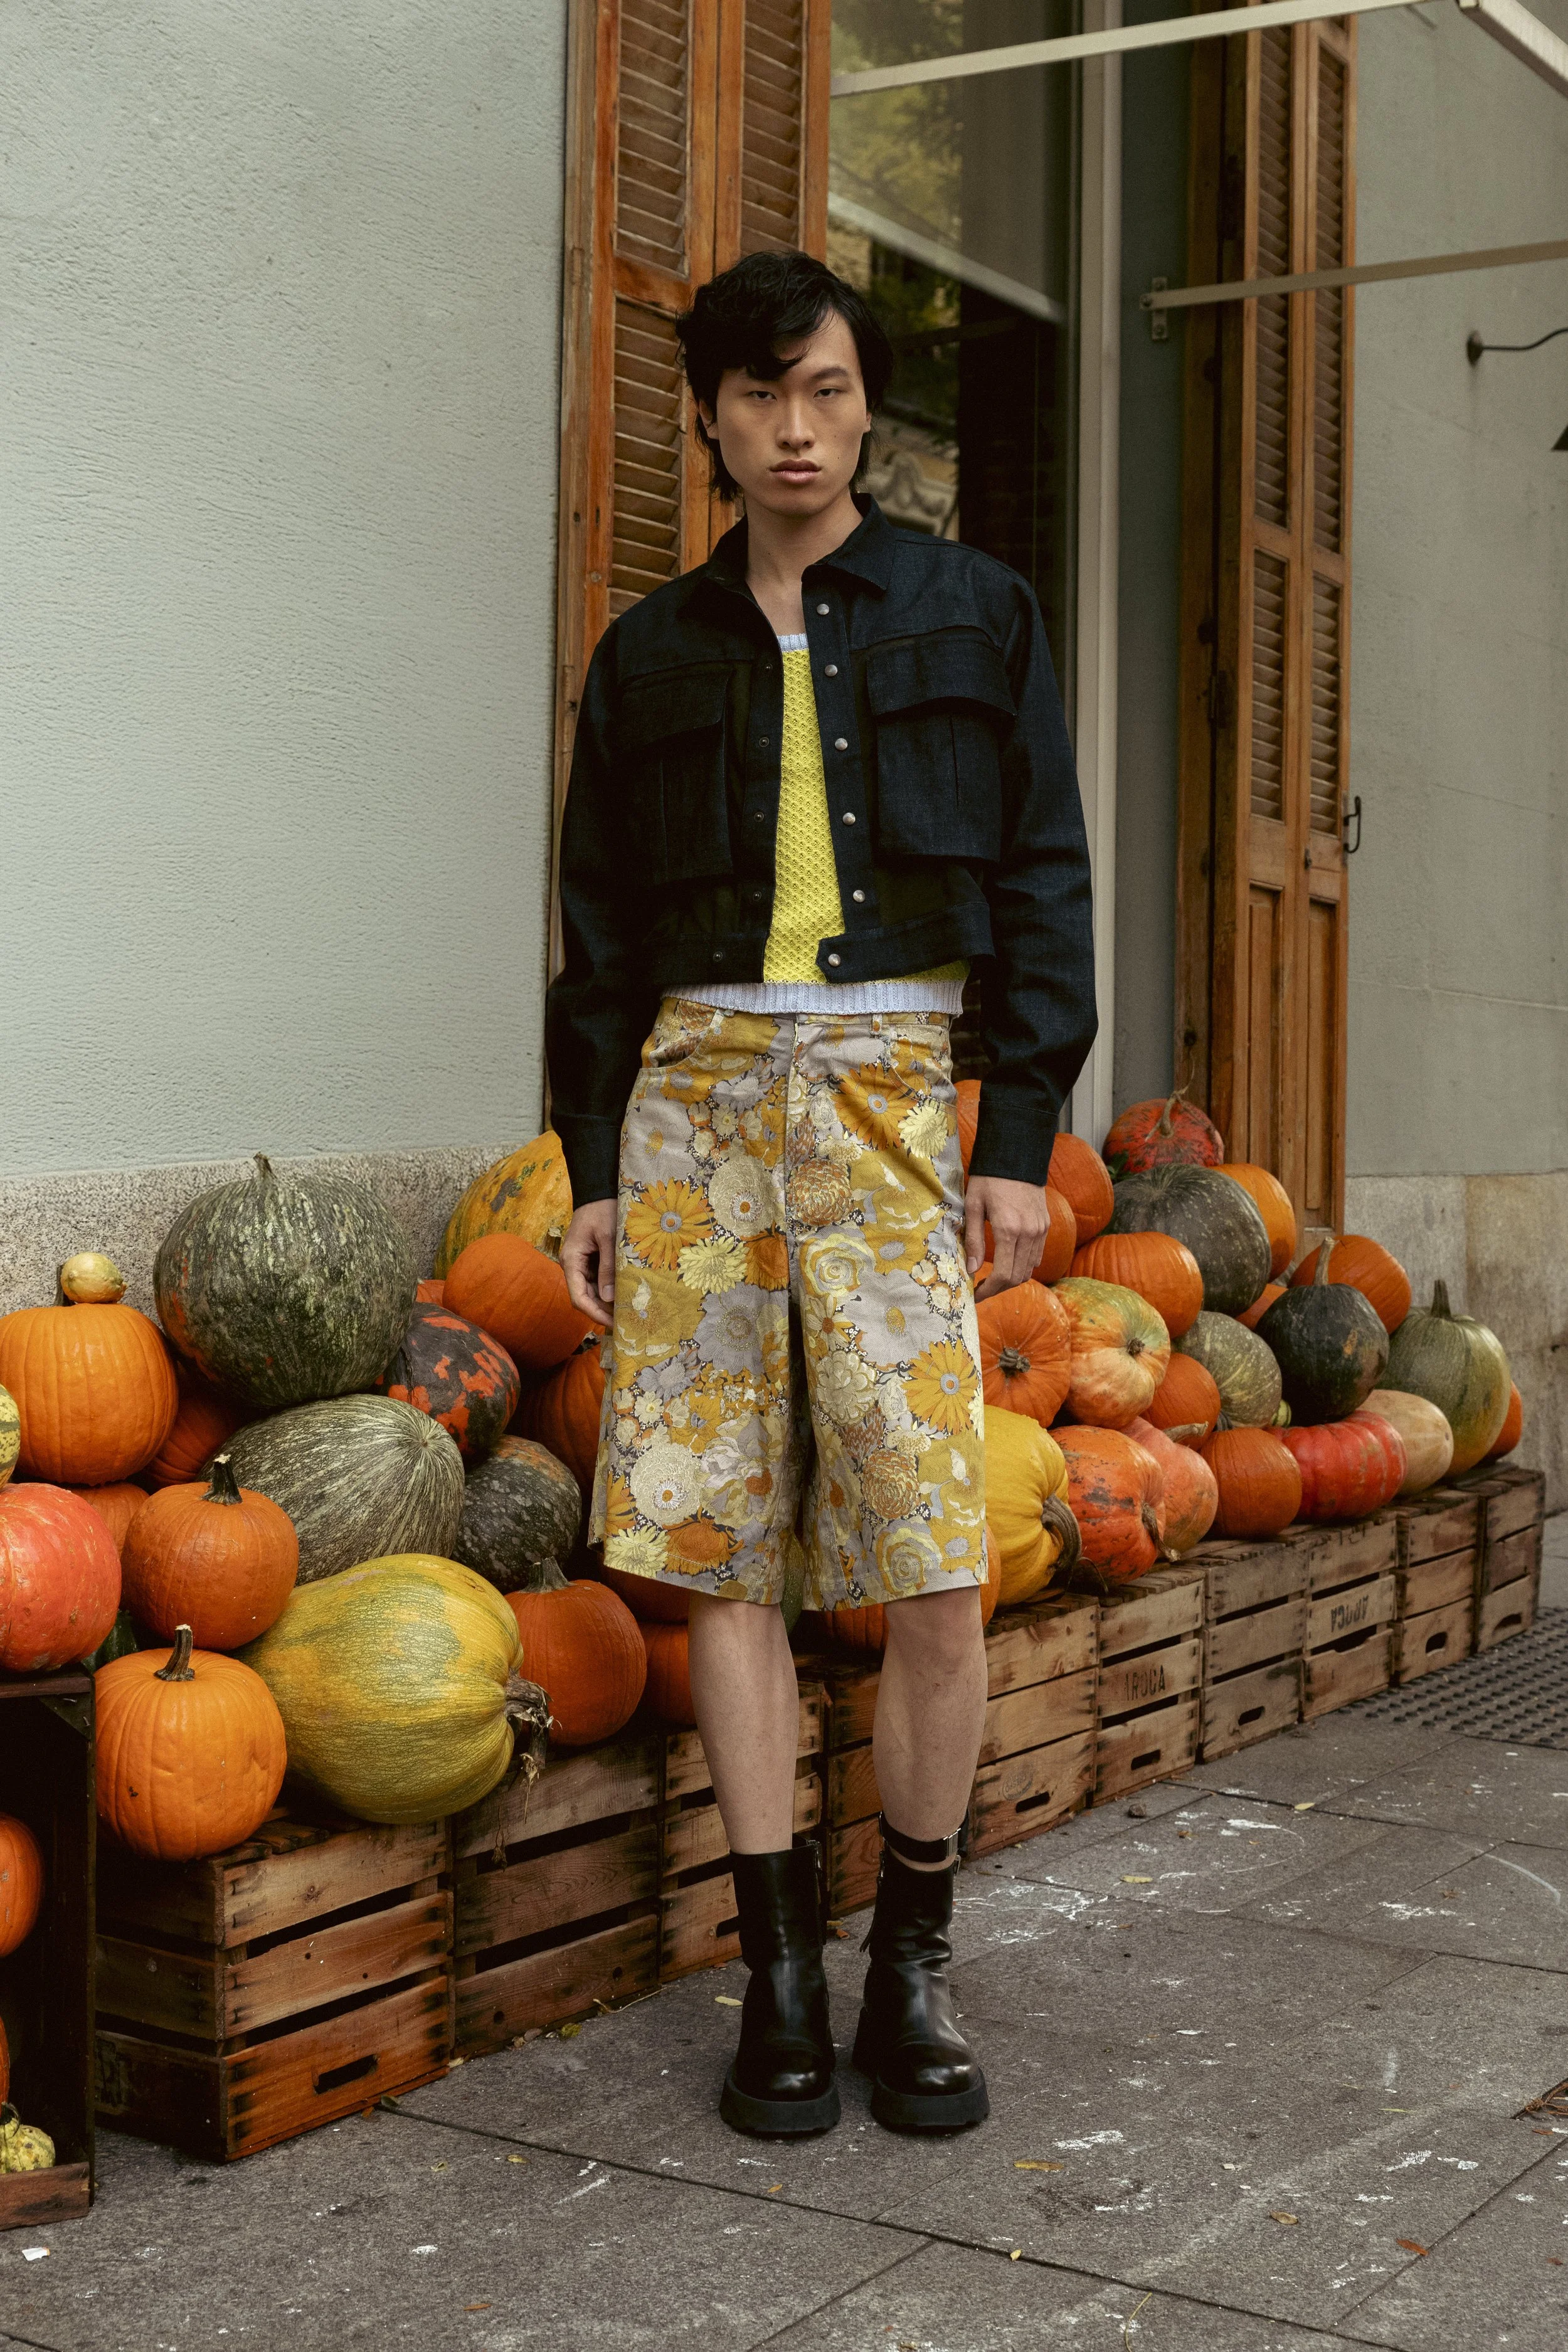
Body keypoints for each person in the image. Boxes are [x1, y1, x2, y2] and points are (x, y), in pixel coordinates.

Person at [549, 250, 1095, 2139]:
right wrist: (591, 1161)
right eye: (764, 395)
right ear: (708, 414)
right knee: (719, 1551)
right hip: (694, 1104)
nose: (799, 429)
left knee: (934, 1548)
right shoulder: (650, 655)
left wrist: (1014, 1130)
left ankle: (910, 1966)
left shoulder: (975, 613)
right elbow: (598, 939)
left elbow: (1044, 878)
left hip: (885, 1096)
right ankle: (774, 1965)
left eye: (831, 393)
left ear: (868, 408)